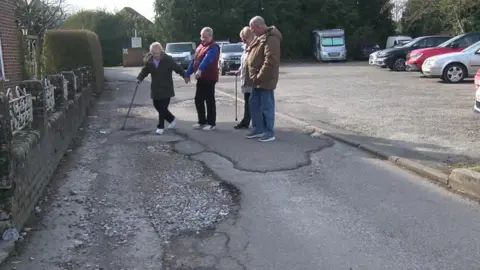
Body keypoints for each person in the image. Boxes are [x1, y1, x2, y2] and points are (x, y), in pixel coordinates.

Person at [137, 42, 188, 135]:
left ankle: (160, 127)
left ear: (161, 51)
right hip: (155, 88)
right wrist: (139, 79)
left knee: (162, 108)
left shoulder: (168, 59)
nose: (156, 55)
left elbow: (178, 68)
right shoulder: (149, 61)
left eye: (157, 53)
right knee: (157, 106)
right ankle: (171, 119)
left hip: (166, 88)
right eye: (153, 53)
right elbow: (144, 71)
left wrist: (184, 75)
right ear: (151, 52)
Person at [245, 16, 282, 142]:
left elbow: (270, 61)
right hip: (256, 80)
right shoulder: (260, 37)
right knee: (254, 104)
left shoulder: (271, 39)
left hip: (264, 80)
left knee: (267, 106)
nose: (251, 31)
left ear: (259, 26)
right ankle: (258, 129)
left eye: (252, 28)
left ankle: (269, 132)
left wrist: (259, 77)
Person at [185, 27, 221, 131]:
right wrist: (187, 73)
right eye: (202, 37)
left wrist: (200, 69)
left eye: (205, 37)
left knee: (209, 100)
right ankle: (202, 121)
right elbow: (194, 61)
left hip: (210, 77)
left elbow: (207, 59)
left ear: (211, 36)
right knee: (198, 99)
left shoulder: (214, 47)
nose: (203, 39)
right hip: (200, 78)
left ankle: (211, 123)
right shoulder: (200, 46)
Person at [234, 26, 255, 129]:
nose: (243, 40)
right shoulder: (246, 48)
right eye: (242, 38)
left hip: (252, 80)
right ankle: (246, 121)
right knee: (247, 102)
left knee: (253, 104)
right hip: (245, 79)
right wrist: (239, 69)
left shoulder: (254, 47)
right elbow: (244, 62)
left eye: (244, 38)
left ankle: (255, 123)